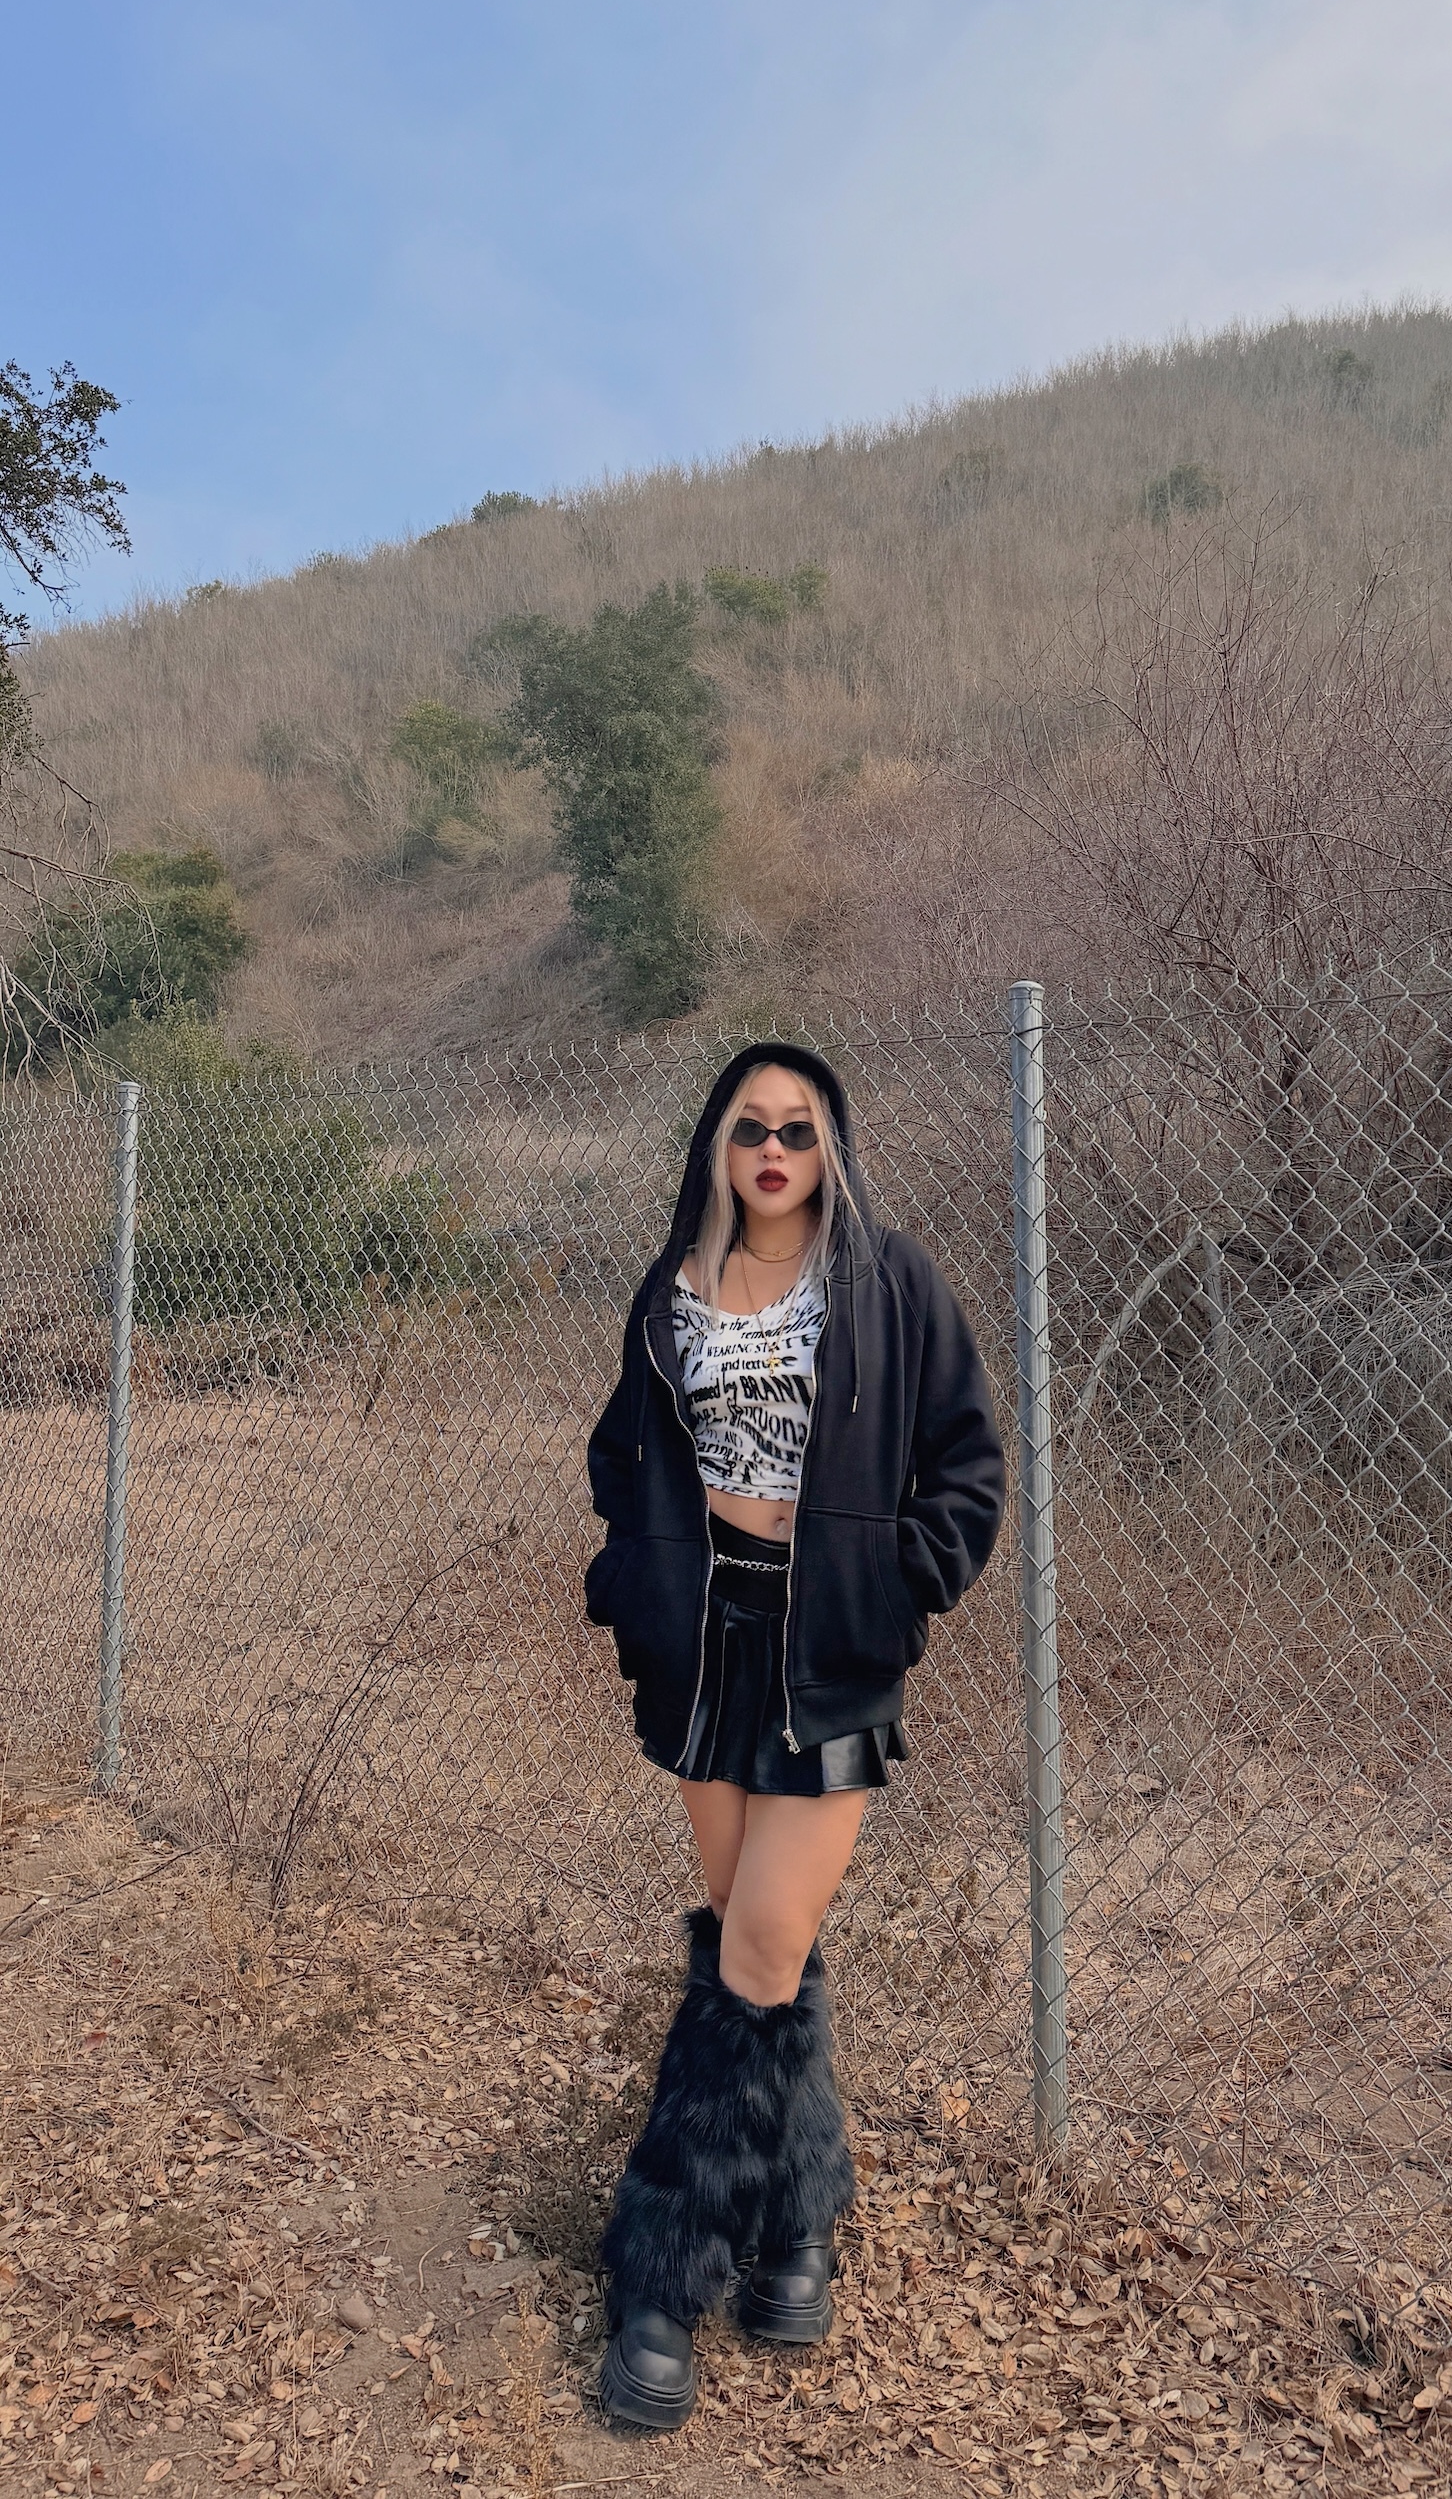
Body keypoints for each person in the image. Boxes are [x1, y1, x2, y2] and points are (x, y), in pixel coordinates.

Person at [584, 1042, 1004, 2432]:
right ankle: (799, 2217)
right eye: (751, 1128)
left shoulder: (886, 1283)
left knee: (760, 1944)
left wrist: (896, 1584)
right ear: (718, 1146)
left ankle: (660, 2271)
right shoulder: (675, 1288)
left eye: (800, 1130)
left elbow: (968, 1467)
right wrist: (632, 1578)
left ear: (832, 1150)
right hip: (707, 1649)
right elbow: (621, 1457)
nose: (775, 1151)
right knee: (751, 1956)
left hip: (828, 1652)